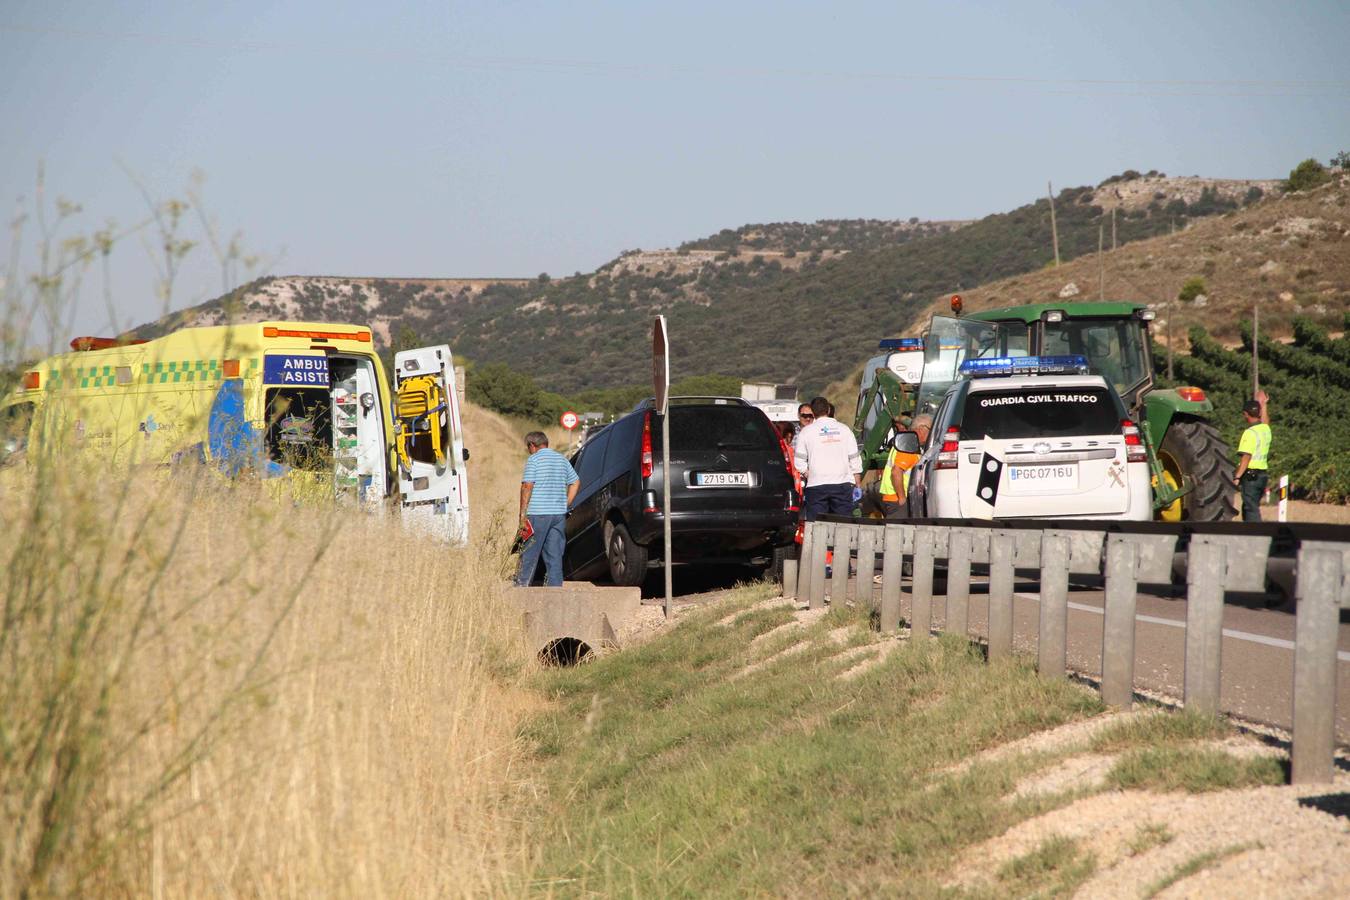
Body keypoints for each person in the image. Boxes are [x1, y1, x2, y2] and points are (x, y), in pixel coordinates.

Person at [516, 431, 580, 586]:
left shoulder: (534, 459)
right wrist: (566, 504)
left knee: (529, 553)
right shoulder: (561, 459)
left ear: (532, 445)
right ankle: (555, 592)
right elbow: (576, 482)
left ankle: (521, 589)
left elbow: (527, 486)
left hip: (538, 514)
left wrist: (522, 515)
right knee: (555, 556)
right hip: (558, 515)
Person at [793, 396, 862, 521]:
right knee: (843, 525)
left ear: (813, 413)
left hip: (816, 485)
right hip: (842, 485)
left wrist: (809, 474)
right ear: (828, 410)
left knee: (816, 525)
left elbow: (799, 462)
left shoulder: (806, 432)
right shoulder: (844, 430)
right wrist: (857, 484)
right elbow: (854, 458)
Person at [1232, 390, 1271, 523]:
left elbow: (1246, 458)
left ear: (1245, 414)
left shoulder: (1249, 433)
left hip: (1251, 477)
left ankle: (1256, 534)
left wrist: (1237, 477)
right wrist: (1264, 404)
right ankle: (1247, 531)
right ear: (1259, 413)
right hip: (1262, 476)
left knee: (1251, 508)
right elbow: (1265, 421)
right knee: (1250, 505)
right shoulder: (1265, 430)